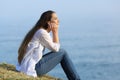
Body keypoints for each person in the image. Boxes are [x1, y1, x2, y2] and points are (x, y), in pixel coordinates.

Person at [16, 10, 80, 80]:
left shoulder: (38, 31)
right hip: (33, 68)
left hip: (26, 66)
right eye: (55, 19)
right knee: (63, 53)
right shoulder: (42, 32)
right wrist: (55, 32)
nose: (58, 21)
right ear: (48, 22)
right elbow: (56, 49)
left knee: (61, 52)